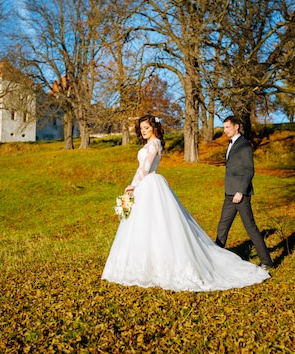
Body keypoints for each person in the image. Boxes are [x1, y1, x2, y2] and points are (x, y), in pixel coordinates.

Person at [102, 114, 270, 292]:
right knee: (148, 225)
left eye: (146, 128)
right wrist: (135, 185)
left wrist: (134, 185)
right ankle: (149, 263)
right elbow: (141, 167)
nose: (143, 131)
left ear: (154, 128)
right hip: (146, 186)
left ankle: (262, 260)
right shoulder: (148, 144)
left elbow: (145, 167)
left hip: (150, 184)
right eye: (141, 128)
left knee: (160, 224)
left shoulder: (155, 143)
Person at [215, 116, 274, 270]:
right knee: (222, 227)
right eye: (224, 127)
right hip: (229, 193)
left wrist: (240, 192)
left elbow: (249, 170)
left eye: (227, 127)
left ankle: (267, 262)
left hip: (240, 195)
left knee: (250, 228)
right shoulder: (231, 144)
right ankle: (215, 259)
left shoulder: (244, 145)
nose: (225, 130)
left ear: (237, 127)